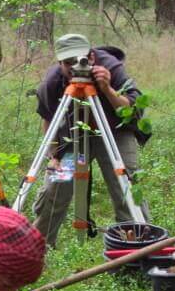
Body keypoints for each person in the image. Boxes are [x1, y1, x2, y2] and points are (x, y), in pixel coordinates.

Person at [33, 33, 150, 247]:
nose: (74, 67)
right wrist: (53, 155)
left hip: (115, 131)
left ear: (92, 57)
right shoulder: (53, 81)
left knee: (125, 185)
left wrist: (107, 88)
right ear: (59, 62)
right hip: (73, 136)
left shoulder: (111, 68)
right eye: (67, 63)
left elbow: (132, 111)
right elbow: (48, 119)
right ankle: (37, 248)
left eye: (80, 59)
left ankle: (136, 247)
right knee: (57, 187)